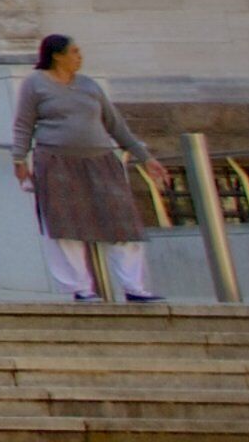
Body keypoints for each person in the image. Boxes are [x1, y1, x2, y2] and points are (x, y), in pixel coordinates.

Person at [14, 32, 161, 300]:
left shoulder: (89, 85)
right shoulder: (35, 84)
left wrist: (145, 157)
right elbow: (24, 124)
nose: (80, 57)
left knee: (121, 221)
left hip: (101, 160)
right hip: (57, 161)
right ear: (57, 55)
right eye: (75, 52)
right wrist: (19, 158)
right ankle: (79, 288)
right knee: (64, 223)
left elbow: (115, 125)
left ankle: (134, 287)